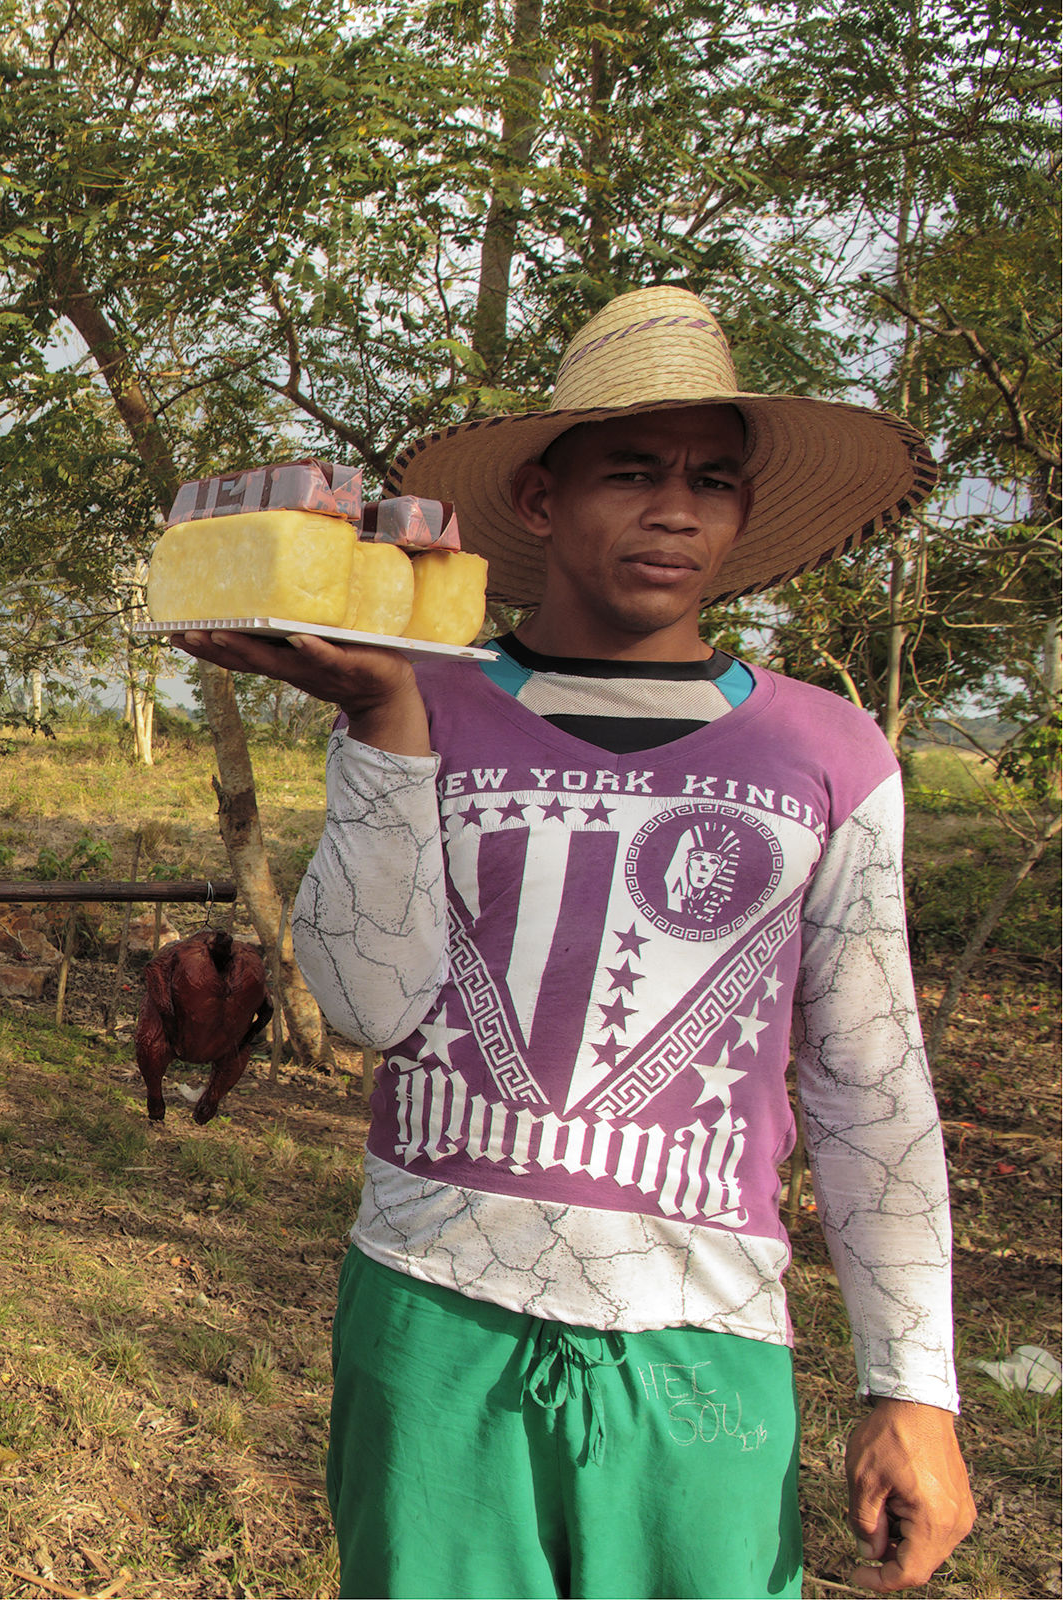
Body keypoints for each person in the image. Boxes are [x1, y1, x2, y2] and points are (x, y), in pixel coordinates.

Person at [174, 288, 973, 1597]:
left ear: (743, 515)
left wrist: (915, 1385)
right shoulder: (424, 699)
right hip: (436, 1322)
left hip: (700, 1347)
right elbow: (370, 1005)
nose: (675, 509)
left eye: (712, 480)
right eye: (632, 472)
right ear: (540, 502)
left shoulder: (828, 753)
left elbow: (871, 1082)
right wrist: (380, 715)